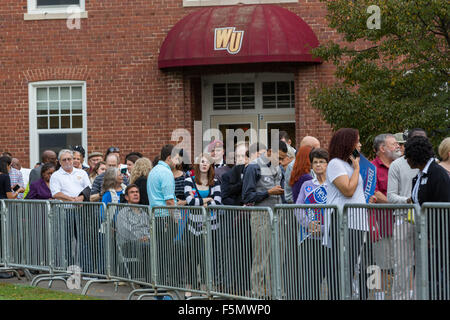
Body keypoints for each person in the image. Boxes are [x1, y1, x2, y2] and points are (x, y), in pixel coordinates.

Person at [325, 128, 371, 300]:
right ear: (347, 143)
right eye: (357, 140)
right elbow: (348, 190)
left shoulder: (349, 165)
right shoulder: (335, 164)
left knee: (357, 267)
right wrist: (357, 168)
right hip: (343, 223)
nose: (360, 144)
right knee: (343, 268)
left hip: (358, 223)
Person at [242, 140, 287, 299]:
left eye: (283, 159)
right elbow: (247, 196)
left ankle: (275, 291)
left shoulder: (278, 168)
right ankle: (258, 294)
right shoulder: (253, 167)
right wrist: (269, 192)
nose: (281, 162)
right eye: (279, 158)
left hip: (277, 214)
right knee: (261, 257)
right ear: (269, 151)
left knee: (278, 256)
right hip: (260, 215)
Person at [387, 128, 427, 300]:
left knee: (424, 263)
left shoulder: (432, 163)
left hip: (425, 220)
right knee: (402, 264)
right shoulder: (397, 165)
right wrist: (409, 200)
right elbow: (390, 196)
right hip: (403, 219)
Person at [295, 148, 331, 299]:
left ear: (328, 164)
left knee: (332, 278)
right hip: (309, 238)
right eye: (315, 162)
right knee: (311, 280)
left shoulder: (334, 185)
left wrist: (323, 229)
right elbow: (298, 207)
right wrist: (309, 224)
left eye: (322, 162)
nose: (318, 165)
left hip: (329, 239)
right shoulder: (307, 185)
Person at [370, 133, 402, 300]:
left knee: (403, 264)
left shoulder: (402, 165)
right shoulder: (371, 168)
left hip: (403, 224)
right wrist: (398, 202)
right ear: (382, 148)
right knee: (379, 266)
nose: (398, 146)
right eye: (394, 144)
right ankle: (379, 297)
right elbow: (374, 192)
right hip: (381, 224)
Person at [116, 184, 152, 282]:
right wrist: (140, 238)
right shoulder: (123, 213)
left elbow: (151, 228)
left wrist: (148, 237)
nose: (136, 194)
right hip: (128, 244)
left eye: (137, 192)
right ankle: (150, 281)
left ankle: (169, 279)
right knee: (148, 247)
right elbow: (125, 231)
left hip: (146, 242)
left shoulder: (144, 212)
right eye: (132, 192)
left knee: (173, 245)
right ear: (127, 197)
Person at [405, 136, 450, 204]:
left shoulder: (437, 174)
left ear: (416, 155)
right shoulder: (420, 174)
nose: (406, 160)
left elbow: (443, 205)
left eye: (408, 156)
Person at [284, 136, 321, 203]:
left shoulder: (309, 169)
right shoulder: (297, 170)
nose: (319, 153)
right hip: (301, 209)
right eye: (316, 150)